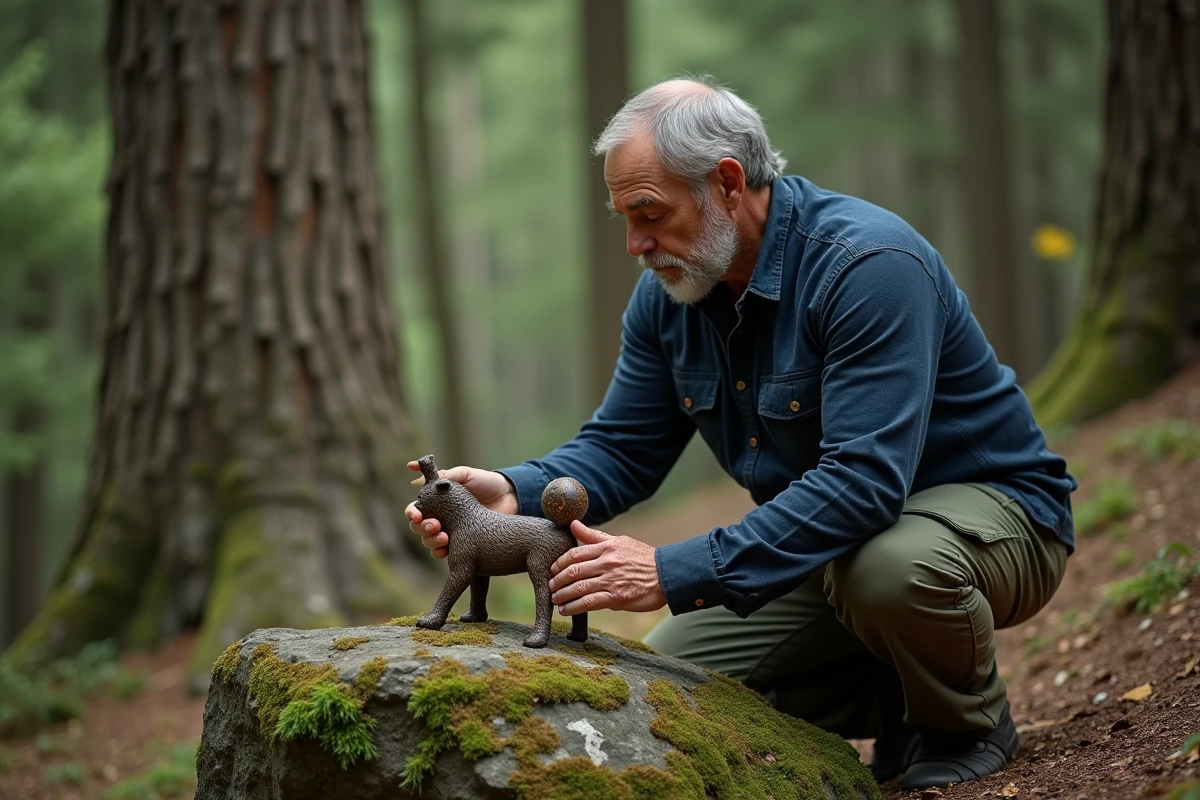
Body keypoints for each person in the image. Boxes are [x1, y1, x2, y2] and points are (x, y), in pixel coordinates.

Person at [404, 75, 1076, 792]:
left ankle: (964, 725)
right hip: (833, 548)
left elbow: (862, 484)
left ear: (727, 182)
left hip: (993, 522)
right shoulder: (672, 293)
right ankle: (901, 700)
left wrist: (668, 571)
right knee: (676, 676)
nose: (635, 243)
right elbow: (624, 444)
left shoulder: (867, 265)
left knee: (891, 570)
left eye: (650, 213)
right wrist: (512, 491)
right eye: (623, 218)